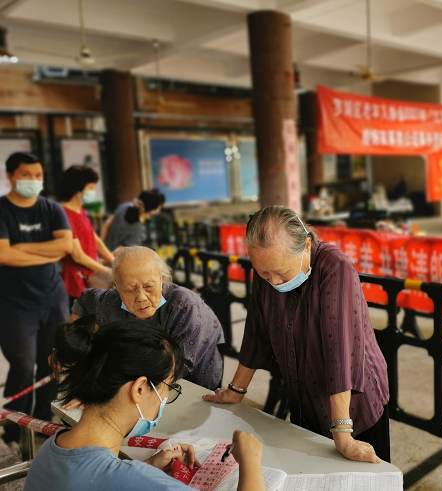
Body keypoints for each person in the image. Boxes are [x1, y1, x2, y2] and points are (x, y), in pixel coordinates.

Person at [204, 206, 390, 464]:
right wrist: (236, 390)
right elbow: (257, 331)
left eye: (281, 273)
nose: (273, 281)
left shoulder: (335, 268)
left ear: (306, 246)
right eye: (264, 273)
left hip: (354, 407)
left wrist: (343, 434)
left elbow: (340, 352)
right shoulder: (267, 269)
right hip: (305, 396)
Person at [26, 317, 266, 491]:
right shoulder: (141, 482)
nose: (165, 397)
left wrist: (147, 467)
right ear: (139, 389)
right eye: (168, 386)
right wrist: (251, 460)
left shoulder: (50, 450)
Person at [71, 246, 224, 391]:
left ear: (161, 280)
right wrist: (79, 346)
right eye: (130, 289)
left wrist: (99, 390)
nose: (141, 297)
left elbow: (176, 367)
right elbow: (83, 302)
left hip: (196, 377)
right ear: (116, 286)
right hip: (140, 374)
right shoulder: (110, 302)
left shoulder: (184, 306)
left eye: (149, 286)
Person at [0, 151, 73, 446]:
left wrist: (21, 248)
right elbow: (3, 254)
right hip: (14, 305)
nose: (33, 180)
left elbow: (65, 246)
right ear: (11, 176)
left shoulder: (51, 208)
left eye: (38, 175)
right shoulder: (2, 210)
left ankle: (43, 423)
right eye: (26, 175)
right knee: (22, 368)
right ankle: (13, 430)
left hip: (53, 300)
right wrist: (46, 250)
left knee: (52, 366)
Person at [58, 165, 115, 305]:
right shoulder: (63, 214)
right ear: (77, 189)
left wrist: (115, 263)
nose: (92, 192)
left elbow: (95, 240)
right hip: (74, 282)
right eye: (90, 188)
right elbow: (78, 256)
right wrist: (108, 271)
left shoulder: (79, 210)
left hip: (89, 277)